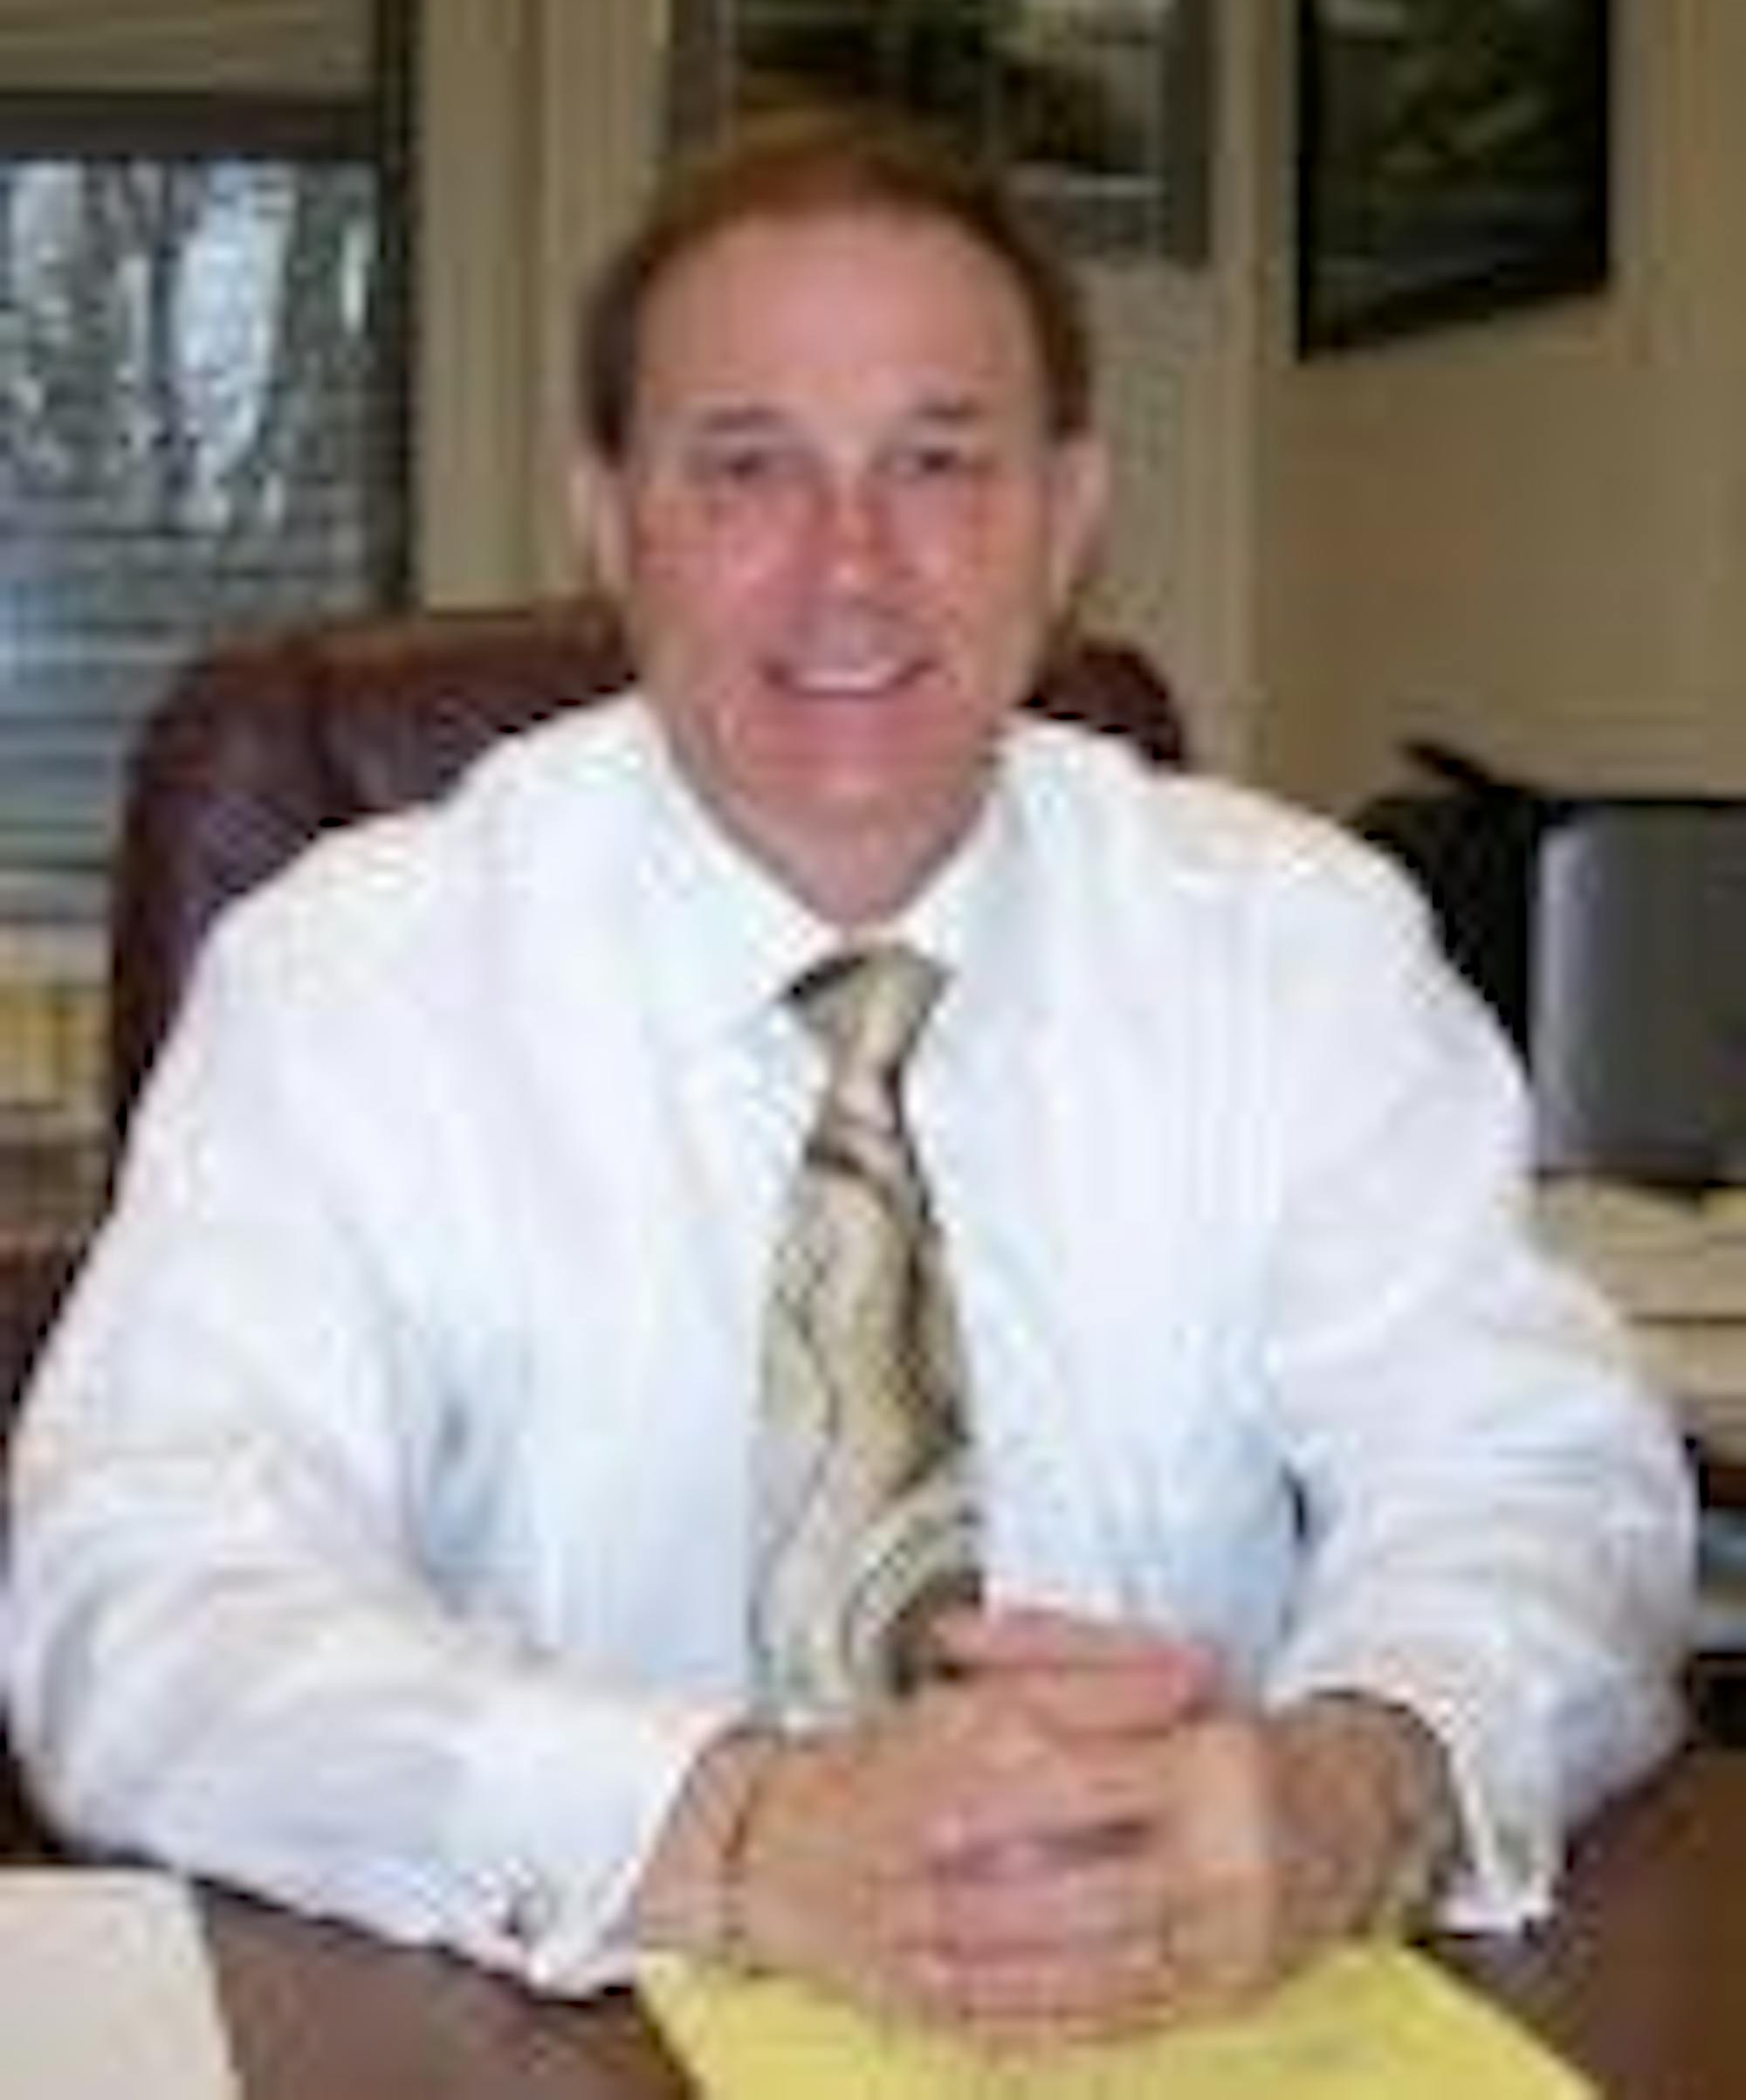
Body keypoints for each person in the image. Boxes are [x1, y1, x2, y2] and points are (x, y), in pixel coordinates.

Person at [2, 111, 1692, 2046]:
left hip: (1188, 2028)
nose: (851, 568)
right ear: (609, 519)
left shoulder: (1296, 951)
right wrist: (727, 1828)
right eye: (747, 469)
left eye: (939, 463)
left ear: (1067, 519)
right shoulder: (351, 983)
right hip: (539, 2031)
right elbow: (142, 1601)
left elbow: (1540, 1485)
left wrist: (1348, 1788)